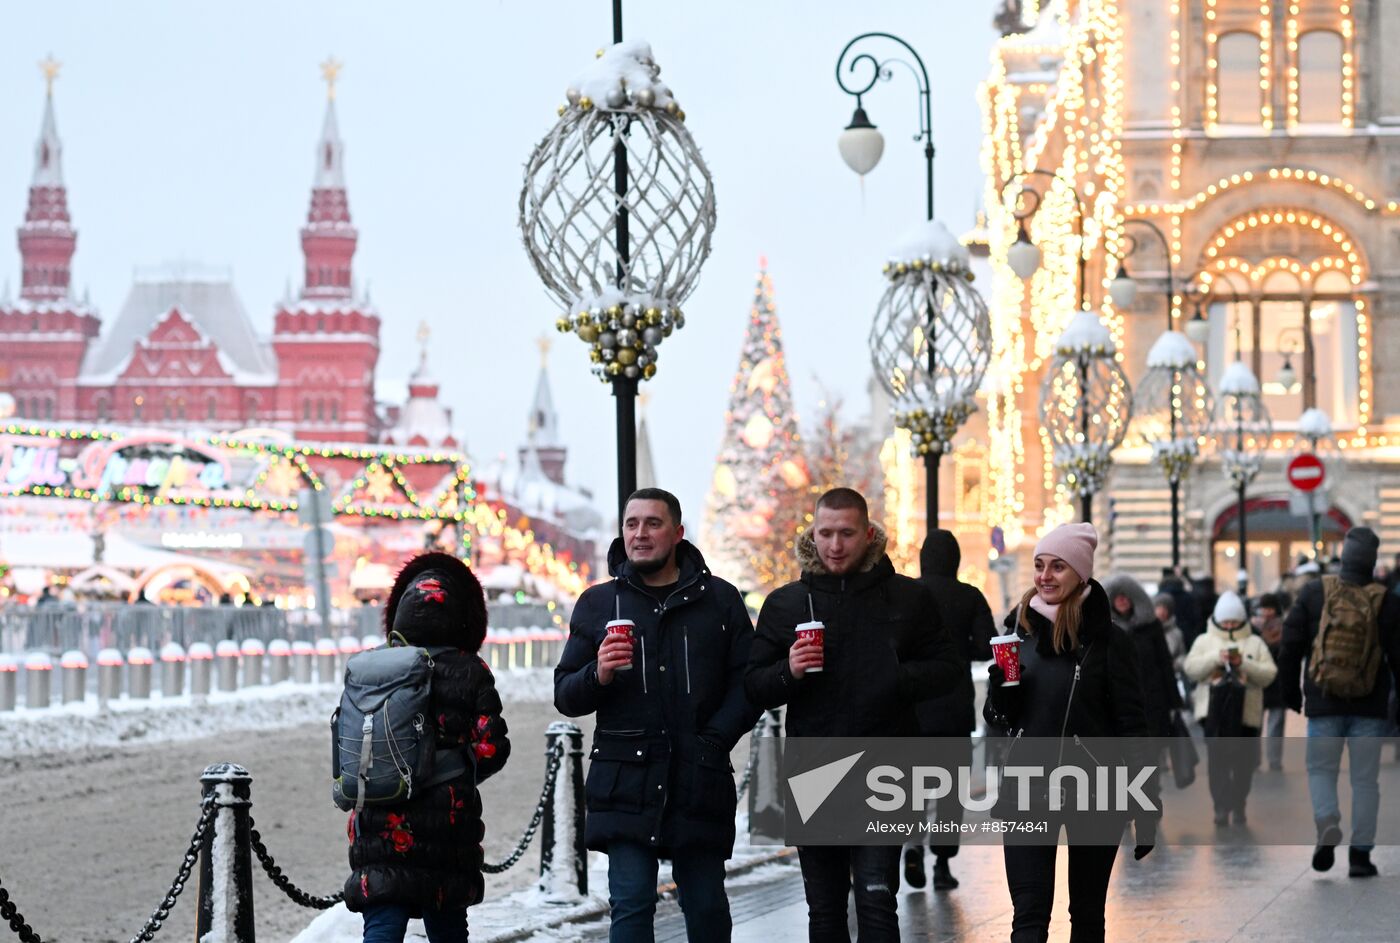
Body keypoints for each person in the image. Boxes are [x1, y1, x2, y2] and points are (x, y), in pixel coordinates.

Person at [746, 487, 960, 942]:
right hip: (815, 773)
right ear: (813, 534)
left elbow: (949, 668)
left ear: (868, 534)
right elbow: (753, 684)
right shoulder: (786, 604)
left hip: (887, 773)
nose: (835, 545)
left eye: (846, 533)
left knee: (876, 902)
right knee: (823, 913)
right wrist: (789, 671)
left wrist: (899, 677)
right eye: (825, 533)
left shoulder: (907, 598)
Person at [555, 488, 758, 942]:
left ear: (678, 533)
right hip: (625, 778)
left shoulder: (720, 601)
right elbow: (566, 694)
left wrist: (715, 739)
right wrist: (598, 673)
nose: (640, 534)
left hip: (698, 778)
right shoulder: (598, 603)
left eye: (653, 523)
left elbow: (746, 684)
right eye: (631, 524)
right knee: (630, 906)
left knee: (706, 909)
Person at [982, 523, 1158, 943]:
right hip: (1026, 789)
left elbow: (1133, 725)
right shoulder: (1016, 632)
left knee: (1086, 915)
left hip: (1094, 790)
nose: (1045, 576)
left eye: (1058, 567)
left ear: (1080, 573)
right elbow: (999, 721)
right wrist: (1000, 691)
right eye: (1040, 565)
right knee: (1028, 915)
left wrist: (1146, 804)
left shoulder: (1110, 641)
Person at [343, 551, 511, 943]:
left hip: (380, 813)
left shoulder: (373, 667)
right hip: (448, 819)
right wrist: (456, 773)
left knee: (383, 920)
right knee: (448, 924)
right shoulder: (471, 670)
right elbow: (492, 748)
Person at [1278, 526, 1400, 877]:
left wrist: (1291, 692)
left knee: (1321, 769)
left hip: (1323, 701)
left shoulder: (1316, 593)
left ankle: (1327, 821)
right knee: (1365, 781)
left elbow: (1290, 646)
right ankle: (1360, 856)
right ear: (1372, 562)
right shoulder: (1387, 601)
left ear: (1343, 556)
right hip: (1370, 705)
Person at [902, 529, 994, 892]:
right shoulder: (969, 596)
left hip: (913, 706)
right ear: (955, 560)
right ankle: (942, 863)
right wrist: (958, 653)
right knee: (949, 791)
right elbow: (987, 645)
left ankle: (911, 845)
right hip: (953, 706)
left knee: (911, 785)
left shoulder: (907, 594)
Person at [1182, 592, 1277, 826]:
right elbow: (1191, 668)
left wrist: (1243, 662)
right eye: (1226, 621)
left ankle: (1239, 803)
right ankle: (1221, 807)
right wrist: (1215, 658)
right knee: (1218, 765)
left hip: (1247, 715)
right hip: (1213, 715)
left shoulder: (1255, 642)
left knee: (1244, 765)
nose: (1230, 625)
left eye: (1234, 621)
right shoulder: (1204, 641)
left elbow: (1269, 674)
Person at [1104, 572, 1183, 741]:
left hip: (1152, 697)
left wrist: (1174, 703)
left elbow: (1164, 663)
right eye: (1117, 597)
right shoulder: (1107, 631)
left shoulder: (1151, 625)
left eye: (1125, 595)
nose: (1122, 600)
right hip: (1119, 700)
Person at [1253, 592, 1288, 771]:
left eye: (1270, 608)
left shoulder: (1284, 628)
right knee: (1254, 724)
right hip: (1258, 681)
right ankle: (1254, 760)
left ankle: (1274, 760)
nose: (1267, 612)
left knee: (1276, 724)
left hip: (1278, 681)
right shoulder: (1253, 629)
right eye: (1264, 608)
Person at [1153, 593, 1186, 675]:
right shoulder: (1146, 631)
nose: (1162, 612)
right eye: (1159, 607)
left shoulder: (1176, 633)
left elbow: (1182, 655)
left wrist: (1175, 665)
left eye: (1165, 608)